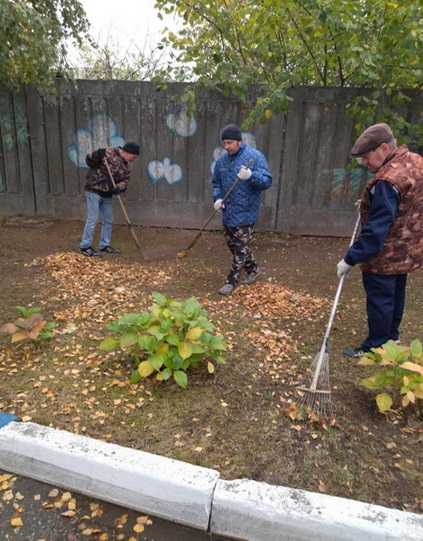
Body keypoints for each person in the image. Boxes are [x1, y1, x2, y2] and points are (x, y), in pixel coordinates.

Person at [337, 123, 423, 357]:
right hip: (408, 249)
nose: (365, 163)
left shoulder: (386, 180)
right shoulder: (415, 161)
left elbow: (376, 231)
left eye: (366, 157)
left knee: (380, 301)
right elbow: (406, 201)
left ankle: (375, 347)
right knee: (396, 295)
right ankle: (391, 337)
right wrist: (371, 204)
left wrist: (350, 258)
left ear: (384, 148)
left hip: (386, 254)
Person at [212, 124, 272, 295]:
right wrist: (217, 198)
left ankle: (231, 281)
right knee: (234, 245)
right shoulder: (222, 162)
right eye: (224, 143)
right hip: (228, 211)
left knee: (239, 248)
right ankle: (253, 269)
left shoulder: (254, 157)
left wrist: (251, 176)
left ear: (239, 141)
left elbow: (267, 181)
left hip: (246, 211)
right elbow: (216, 183)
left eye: (230, 143)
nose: (226, 146)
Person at [79, 142, 140, 256]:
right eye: (134, 156)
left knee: (108, 220)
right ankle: (85, 246)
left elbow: (125, 181)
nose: (134, 159)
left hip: (108, 193)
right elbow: (89, 161)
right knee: (92, 219)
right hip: (94, 190)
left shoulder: (127, 166)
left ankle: (104, 245)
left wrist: (119, 187)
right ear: (127, 152)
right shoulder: (107, 153)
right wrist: (96, 155)